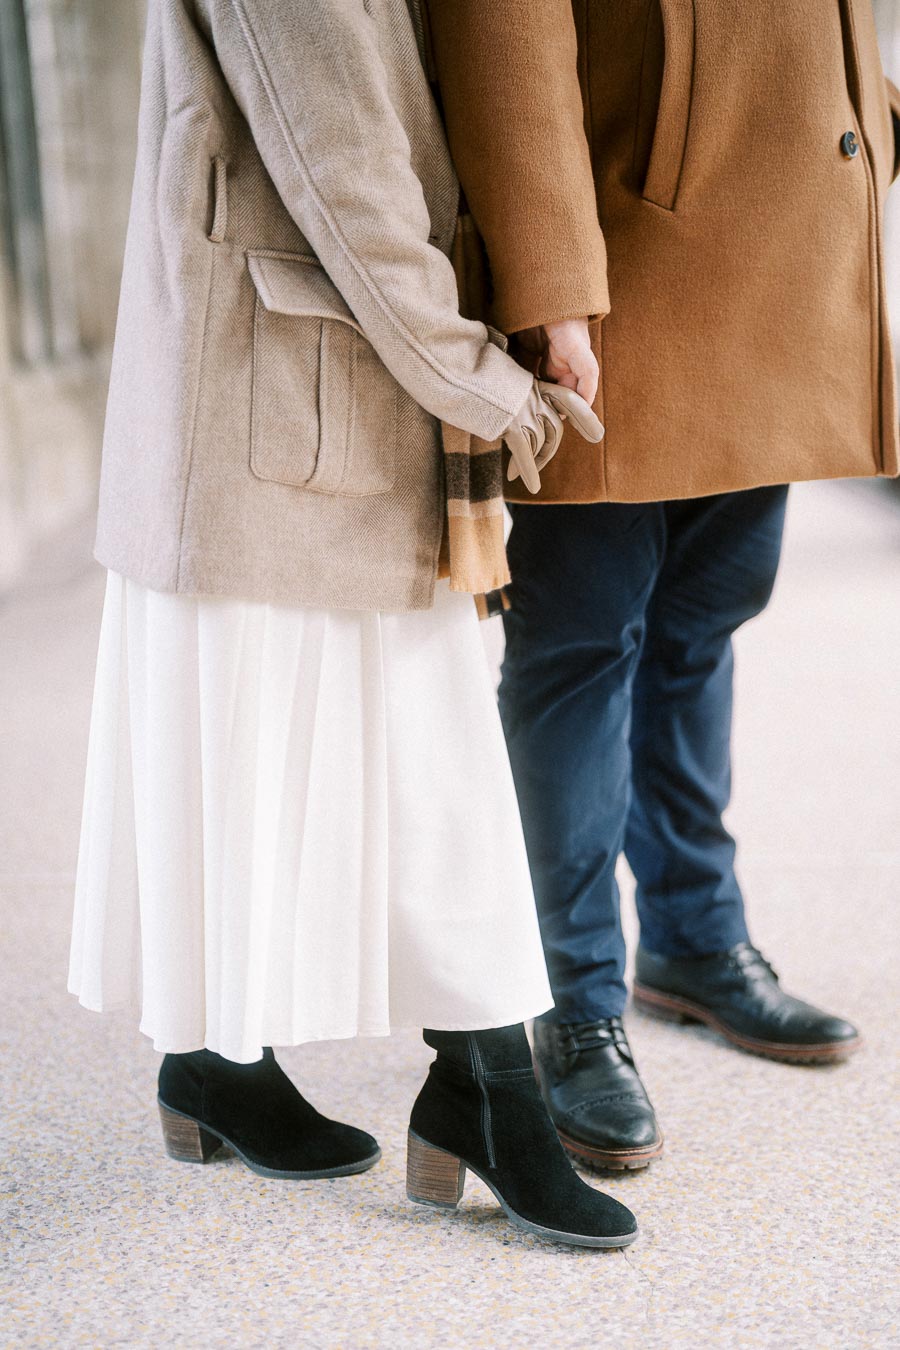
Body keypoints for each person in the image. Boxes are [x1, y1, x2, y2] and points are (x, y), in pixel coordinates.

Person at [67, 0, 637, 1249]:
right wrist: (477, 378)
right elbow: (346, 177)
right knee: (376, 757)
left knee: (320, 752)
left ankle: (248, 1069)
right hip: (284, 407)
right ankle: (426, 1086)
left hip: (299, 398)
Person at [426, 0, 900, 1169]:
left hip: (784, 264)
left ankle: (694, 938)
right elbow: (504, 23)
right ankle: (569, 997)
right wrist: (545, 279)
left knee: (705, 621)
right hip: (621, 272)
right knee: (581, 649)